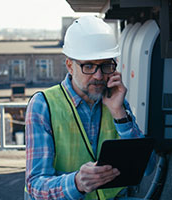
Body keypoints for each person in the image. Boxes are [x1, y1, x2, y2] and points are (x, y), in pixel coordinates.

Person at [25, 16, 155, 200]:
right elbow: (36, 188)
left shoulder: (116, 102)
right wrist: (77, 183)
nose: (99, 75)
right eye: (88, 66)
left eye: (105, 65)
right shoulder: (43, 105)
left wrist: (119, 114)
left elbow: (148, 167)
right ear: (70, 66)